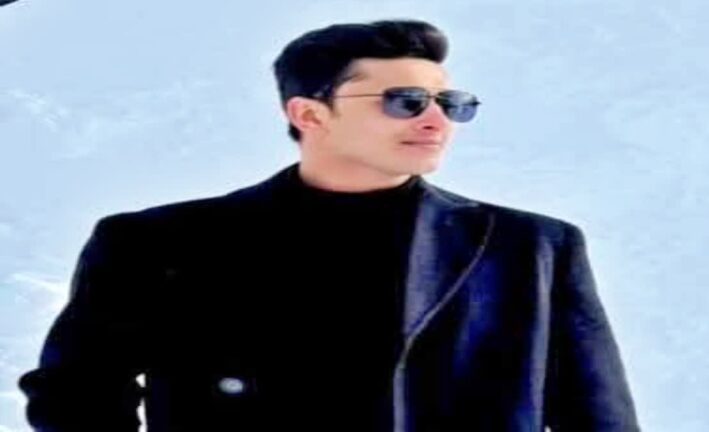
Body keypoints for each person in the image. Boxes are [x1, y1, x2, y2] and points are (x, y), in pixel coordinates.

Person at [18, 19, 640, 432]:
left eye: (451, 104)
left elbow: (596, 415)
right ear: (309, 114)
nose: (435, 121)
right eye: (405, 101)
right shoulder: (158, 243)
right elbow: (74, 394)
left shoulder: (530, 247)